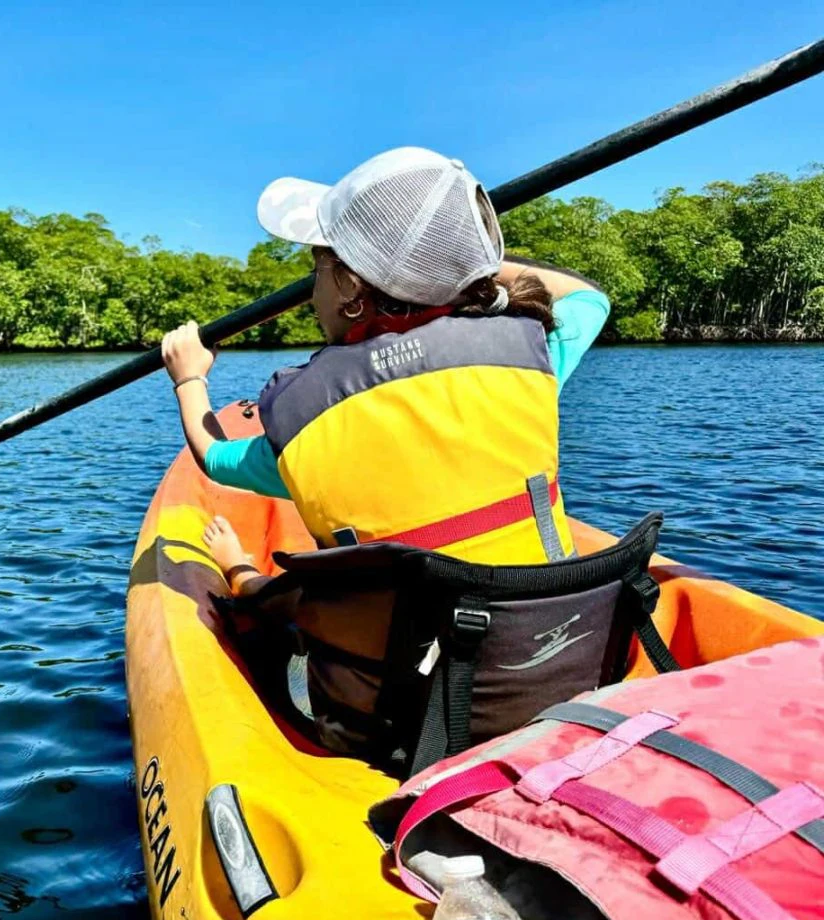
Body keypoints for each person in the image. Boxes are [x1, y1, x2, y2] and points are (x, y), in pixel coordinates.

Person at [160, 148, 610, 596]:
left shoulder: (306, 417)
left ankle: (240, 571)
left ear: (350, 289)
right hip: (552, 638)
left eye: (317, 267)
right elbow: (587, 299)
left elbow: (214, 458)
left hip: (392, 666)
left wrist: (189, 379)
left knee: (270, 598)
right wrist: (460, 264)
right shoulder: (522, 357)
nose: (312, 288)